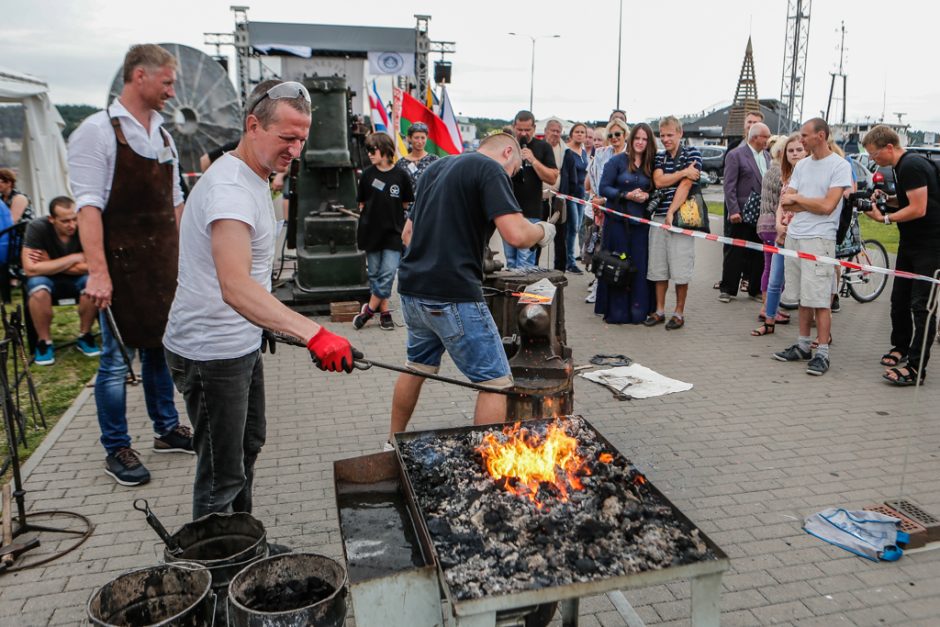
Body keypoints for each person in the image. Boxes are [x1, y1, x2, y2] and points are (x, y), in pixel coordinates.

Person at [163, 79, 358, 518]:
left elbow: (247, 283)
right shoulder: (229, 189)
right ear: (253, 125)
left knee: (247, 447)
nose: (296, 149)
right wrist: (314, 333)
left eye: (302, 139)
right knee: (221, 475)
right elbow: (235, 285)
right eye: (287, 137)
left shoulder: (253, 177)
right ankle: (215, 570)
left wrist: (266, 325)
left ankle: (244, 547)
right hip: (211, 351)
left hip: (240, 342)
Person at [70, 44, 192, 486]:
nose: (172, 91)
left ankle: (166, 428)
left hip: (161, 263)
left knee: (160, 346)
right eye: (166, 82)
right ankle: (116, 446)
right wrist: (98, 272)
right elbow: (87, 209)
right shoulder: (96, 132)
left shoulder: (163, 134)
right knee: (116, 363)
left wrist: (188, 260)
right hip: (119, 266)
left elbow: (176, 203)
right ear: (139, 76)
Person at [388, 133, 555, 444]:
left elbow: (408, 234)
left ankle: (391, 441)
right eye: (515, 170)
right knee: (495, 381)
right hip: (453, 293)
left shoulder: (435, 169)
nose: (512, 178)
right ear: (508, 152)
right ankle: (486, 466)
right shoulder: (490, 168)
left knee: (417, 366)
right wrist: (543, 231)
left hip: (412, 289)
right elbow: (517, 235)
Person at [772, 118, 852, 376]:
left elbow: (828, 206)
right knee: (803, 297)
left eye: (805, 135)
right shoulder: (802, 165)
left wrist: (799, 200)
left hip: (820, 240)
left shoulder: (839, 166)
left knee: (820, 299)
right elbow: (786, 202)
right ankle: (803, 344)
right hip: (795, 237)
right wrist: (801, 202)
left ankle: (823, 353)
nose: (801, 139)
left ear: (821, 135)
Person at [862, 125, 940, 386]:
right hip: (911, 244)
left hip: (930, 247)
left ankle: (917, 368)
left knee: (922, 307)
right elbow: (907, 201)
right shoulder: (901, 167)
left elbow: (918, 208)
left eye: (874, 155)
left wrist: (884, 218)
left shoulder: (912, 166)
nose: (873, 161)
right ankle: (901, 347)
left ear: (889, 148)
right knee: (899, 299)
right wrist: (888, 198)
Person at [21, 196, 99, 365]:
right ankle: (44, 342)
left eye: (74, 219)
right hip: (45, 279)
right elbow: (30, 269)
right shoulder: (37, 227)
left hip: (78, 278)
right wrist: (74, 258)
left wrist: (49, 263)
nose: (72, 225)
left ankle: (85, 335)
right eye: (65, 221)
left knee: (92, 283)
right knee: (37, 288)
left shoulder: (85, 226)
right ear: (52, 219)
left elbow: (95, 265)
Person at [645, 116, 702, 330]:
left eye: (670, 135)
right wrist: (683, 172)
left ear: (680, 134)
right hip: (658, 219)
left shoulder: (693, 154)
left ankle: (679, 312)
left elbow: (686, 184)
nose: (666, 139)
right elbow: (659, 181)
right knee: (659, 267)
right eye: (663, 135)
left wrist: (671, 212)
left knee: (680, 267)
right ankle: (660, 310)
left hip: (682, 219)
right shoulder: (659, 157)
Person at [353, 133, 414, 331]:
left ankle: (368, 311)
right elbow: (361, 202)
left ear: (385, 150)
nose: (369, 154)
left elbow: (405, 203)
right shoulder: (367, 175)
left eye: (373, 150)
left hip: (393, 233)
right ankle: (384, 312)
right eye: (368, 150)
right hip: (371, 232)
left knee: (387, 274)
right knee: (375, 275)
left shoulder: (401, 175)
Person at [596, 123, 657, 323]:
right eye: (637, 138)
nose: (640, 142)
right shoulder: (617, 162)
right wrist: (626, 195)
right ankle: (617, 311)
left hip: (641, 226)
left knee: (639, 267)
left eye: (644, 139)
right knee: (618, 265)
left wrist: (647, 195)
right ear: (631, 140)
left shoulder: (652, 164)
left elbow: (657, 190)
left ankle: (639, 310)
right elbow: (603, 187)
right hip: (617, 224)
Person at [751, 133, 804, 336]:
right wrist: (779, 225)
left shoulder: (807, 173)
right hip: (779, 231)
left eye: (799, 150)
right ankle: (769, 319)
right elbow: (782, 204)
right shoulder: (783, 175)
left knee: (807, 282)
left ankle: (814, 331)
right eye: (791, 150)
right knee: (774, 278)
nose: (795, 154)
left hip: (801, 233)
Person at [719, 122, 771, 302]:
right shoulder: (736, 155)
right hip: (742, 212)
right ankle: (728, 288)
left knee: (759, 253)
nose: (768, 140)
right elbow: (729, 185)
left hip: (762, 212)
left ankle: (755, 289)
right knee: (736, 251)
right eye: (766, 136)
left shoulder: (767, 157)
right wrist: (733, 209)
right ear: (756, 137)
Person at [505, 110, 558, 269]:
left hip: (531, 213)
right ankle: (510, 293)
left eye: (527, 130)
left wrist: (533, 160)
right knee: (510, 262)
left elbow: (552, 177)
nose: (523, 133)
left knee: (526, 263)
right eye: (520, 129)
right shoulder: (507, 147)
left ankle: (524, 294)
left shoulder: (543, 147)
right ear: (514, 127)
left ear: (534, 128)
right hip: (507, 211)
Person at [584, 119, 628, 303]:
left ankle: (621, 287)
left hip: (622, 210)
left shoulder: (631, 155)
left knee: (622, 252)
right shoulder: (602, 154)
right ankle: (599, 286)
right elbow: (591, 182)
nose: (614, 138)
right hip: (601, 211)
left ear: (625, 135)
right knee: (601, 249)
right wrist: (596, 197)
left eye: (618, 134)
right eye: (610, 135)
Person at [560, 122, 589, 273]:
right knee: (573, 227)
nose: (579, 134)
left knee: (577, 227)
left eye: (582, 132)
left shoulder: (583, 152)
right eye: (577, 132)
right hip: (570, 195)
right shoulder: (567, 152)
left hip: (582, 195)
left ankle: (569, 259)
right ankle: (569, 261)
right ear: (571, 134)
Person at [542, 118, 567, 271]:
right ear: (546, 132)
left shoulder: (565, 151)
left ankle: (560, 269)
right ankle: (532, 267)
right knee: (537, 234)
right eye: (553, 131)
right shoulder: (538, 149)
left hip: (558, 199)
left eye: (558, 131)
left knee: (560, 237)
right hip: (539, 199)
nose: (556, 134)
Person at [395, 121, 438, 193]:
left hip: (427, 203)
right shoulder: (400, 163)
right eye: (416, 138)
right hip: (406, 203)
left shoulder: (434, 160)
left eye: (423, 138)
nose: (420, 141)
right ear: (409, 138)